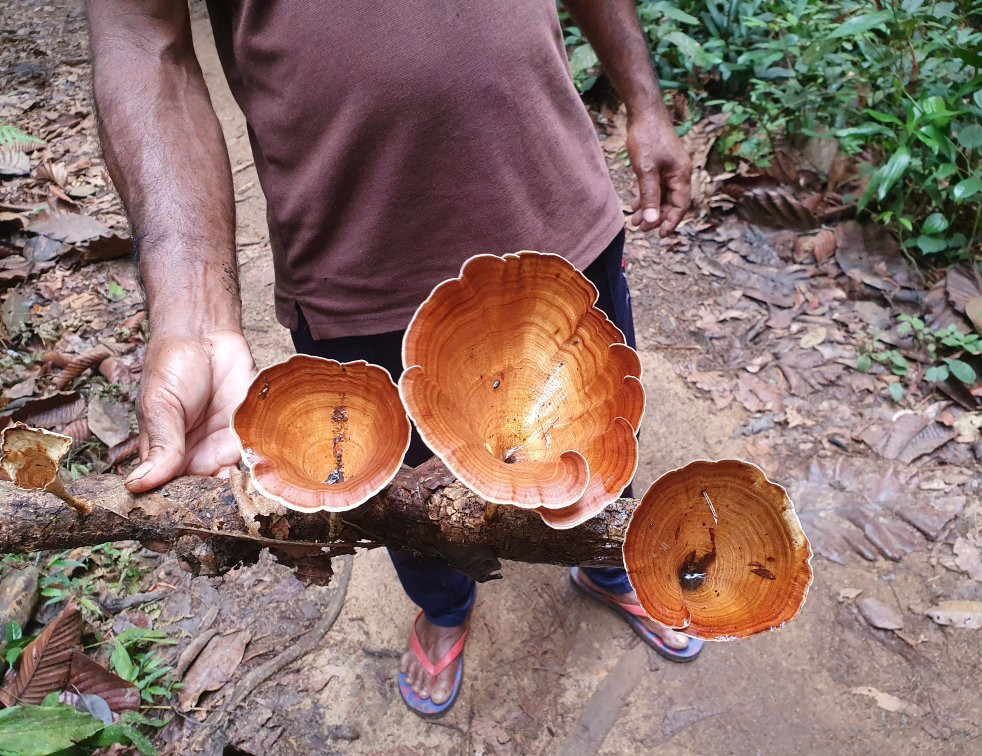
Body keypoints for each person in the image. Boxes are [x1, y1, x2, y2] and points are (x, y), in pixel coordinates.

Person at [86, 0, 703, 719]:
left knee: (595, 441)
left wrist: (645, 103)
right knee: (398, 492)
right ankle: (444, 606)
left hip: (561, 210)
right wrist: (192, 308)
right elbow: (140, 34)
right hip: (357, 271)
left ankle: (605, 563)